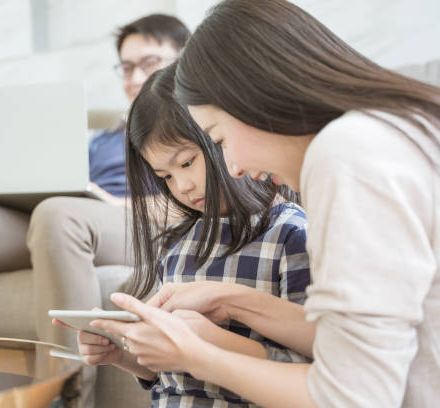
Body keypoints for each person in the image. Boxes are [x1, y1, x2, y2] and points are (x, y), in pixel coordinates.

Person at [92, 1, 440, 407]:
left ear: (254, 98)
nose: (235, 167)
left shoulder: (345, 155)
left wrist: (194, 355)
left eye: (218, 139)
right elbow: (360, 338)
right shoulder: (391, 132)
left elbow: (353, 396)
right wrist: (231, 300)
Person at [0, 13, 190, 406]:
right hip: (74, 214)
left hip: (139, 219)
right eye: (126, 67)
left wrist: (111, 203)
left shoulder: (193, 122)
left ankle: (68, 395)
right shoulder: (104, 138)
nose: (132, 78)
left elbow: (193, 198)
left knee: (59, 215)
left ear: (184, 60)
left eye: (149, 63)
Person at [56, 63, 311, 407]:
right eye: (165, 177)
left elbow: (310, 370)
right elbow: (167, 376)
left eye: (187, 163)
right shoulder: (177, 245)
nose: (182, 186)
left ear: (220, 137)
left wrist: (208, 343)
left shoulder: (289, 235)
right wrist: (121, 353)